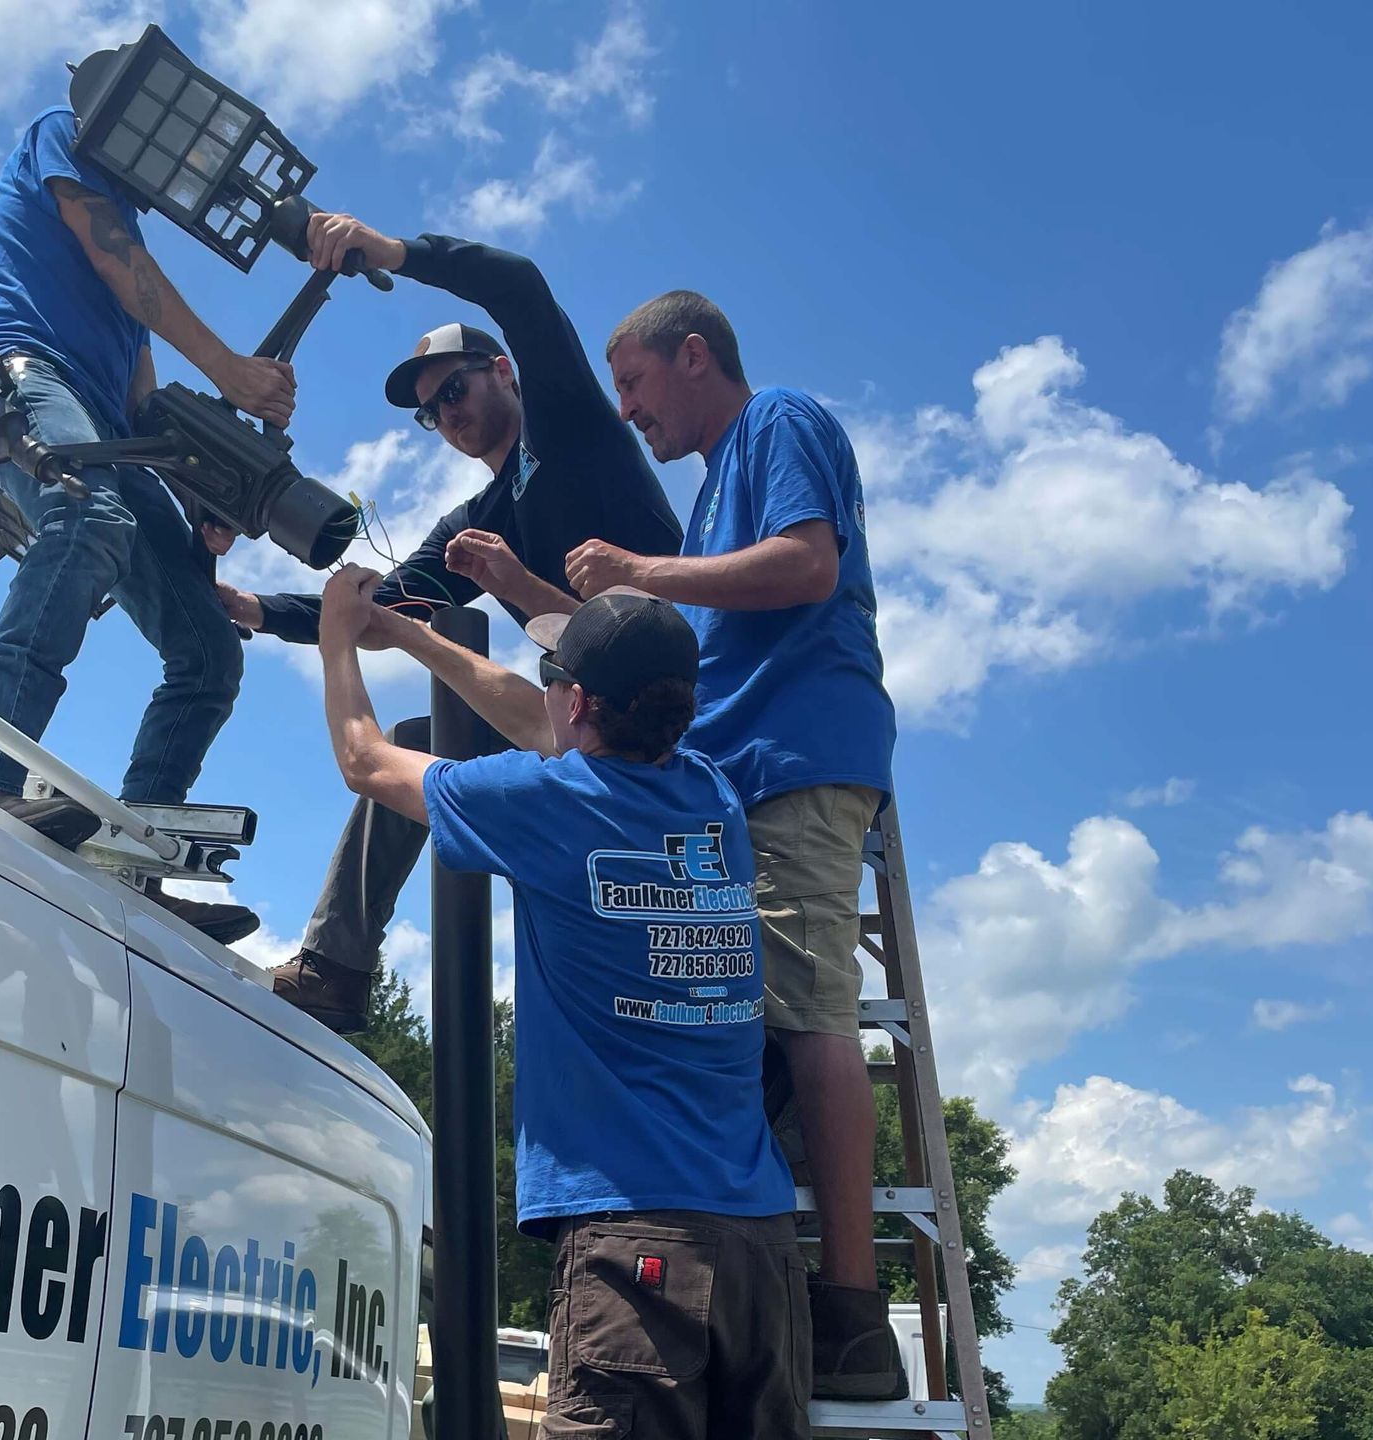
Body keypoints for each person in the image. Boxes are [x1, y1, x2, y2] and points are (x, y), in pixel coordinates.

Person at [315, 569, 810, 1437]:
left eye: (555, 681)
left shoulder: (548, 803)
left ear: (577, 702)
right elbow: (540, 719)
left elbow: (365, 758)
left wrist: (337, 634)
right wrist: (421, 640)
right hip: (759, 1248)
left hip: (635, 1239)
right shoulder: (714, 801)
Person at [215, 213, 682, 1030]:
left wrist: (394, 252)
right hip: (577, 728)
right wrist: (253, 608)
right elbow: (383, 607)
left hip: (671, 715)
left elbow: (521, 287)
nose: (448, 416)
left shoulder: (567, 427)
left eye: (455, 390)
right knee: (420, 738)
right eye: (431, 413)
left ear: (503, 371)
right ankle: (335, 968)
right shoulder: (477, 520)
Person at [562, 289, 904, 1399]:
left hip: (798, 764)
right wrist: (531, 595)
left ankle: (852, 1317)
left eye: (636, 386)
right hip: (737, 783)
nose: (628, 414)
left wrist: (641, 573)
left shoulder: (780, 424)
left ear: (694, 356)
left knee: (810, 1016)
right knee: (742, 1020)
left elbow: (807, 565)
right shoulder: (711, 501)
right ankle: (758, 1277)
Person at [0, 103, 297, 943]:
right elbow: (113, 255)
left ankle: (141, 855)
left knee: (209, 646)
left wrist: (199, 501)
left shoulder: (131, 295)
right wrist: (231, 371)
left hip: (104, 426)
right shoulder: (63, 130)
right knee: (84, 512)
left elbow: (141, 405)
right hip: (17, 371)